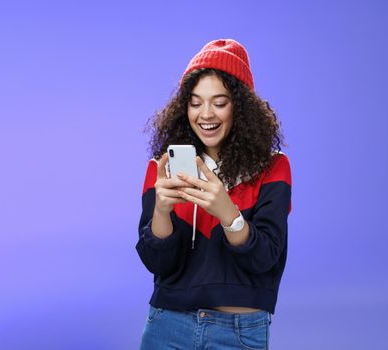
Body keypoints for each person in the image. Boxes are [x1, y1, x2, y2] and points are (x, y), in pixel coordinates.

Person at [136, 38, 292, 349]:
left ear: (241, 107)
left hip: (238, 331)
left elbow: (266, 259)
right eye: (195, 102)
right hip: (167, 324)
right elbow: (158, 263)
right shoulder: (162, 168)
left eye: (219, 102)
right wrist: (162, 212)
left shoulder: (273, 167)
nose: (205, 114)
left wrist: (227, 213)